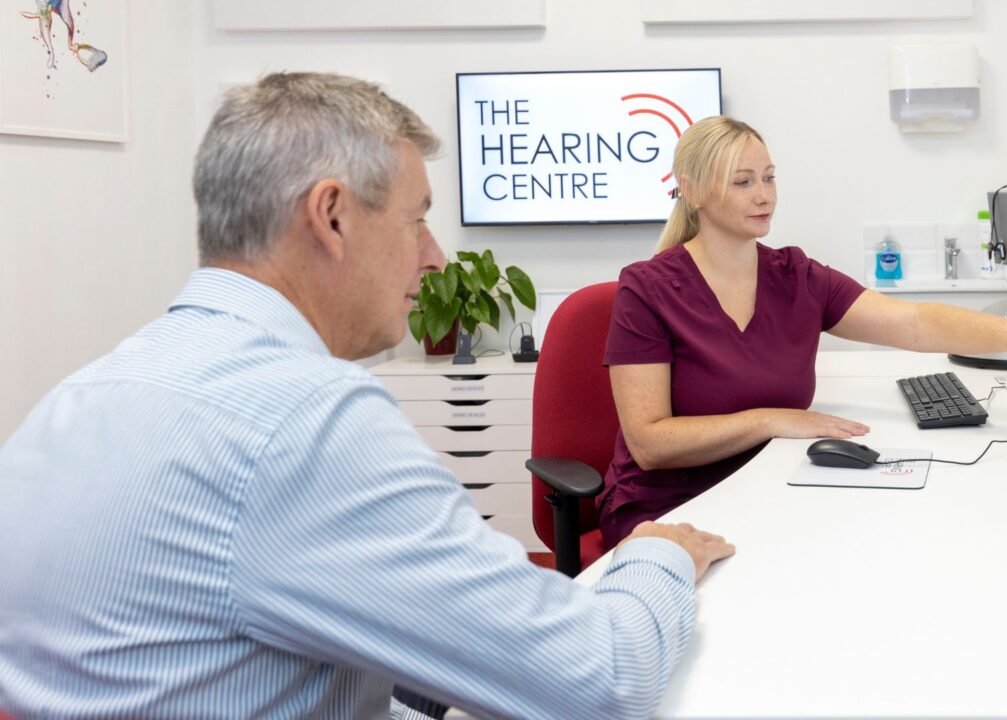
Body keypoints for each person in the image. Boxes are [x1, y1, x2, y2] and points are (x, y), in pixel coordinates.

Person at [0, 73, 734, 720]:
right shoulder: (304, 418)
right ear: (333, 216)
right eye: (416, 219)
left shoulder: (75, 399)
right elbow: (601, 684)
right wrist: (656, 554)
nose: (435, 257)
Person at [597, 116, 1007, 548]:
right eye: (743, 181)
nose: (764, 195)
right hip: (671, 508)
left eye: (770, 177)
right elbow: (650, 443)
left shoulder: (795, 276)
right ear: (690, 190)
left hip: (770, 485)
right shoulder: (648, 289)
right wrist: (767, 420)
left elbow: (914, 323)